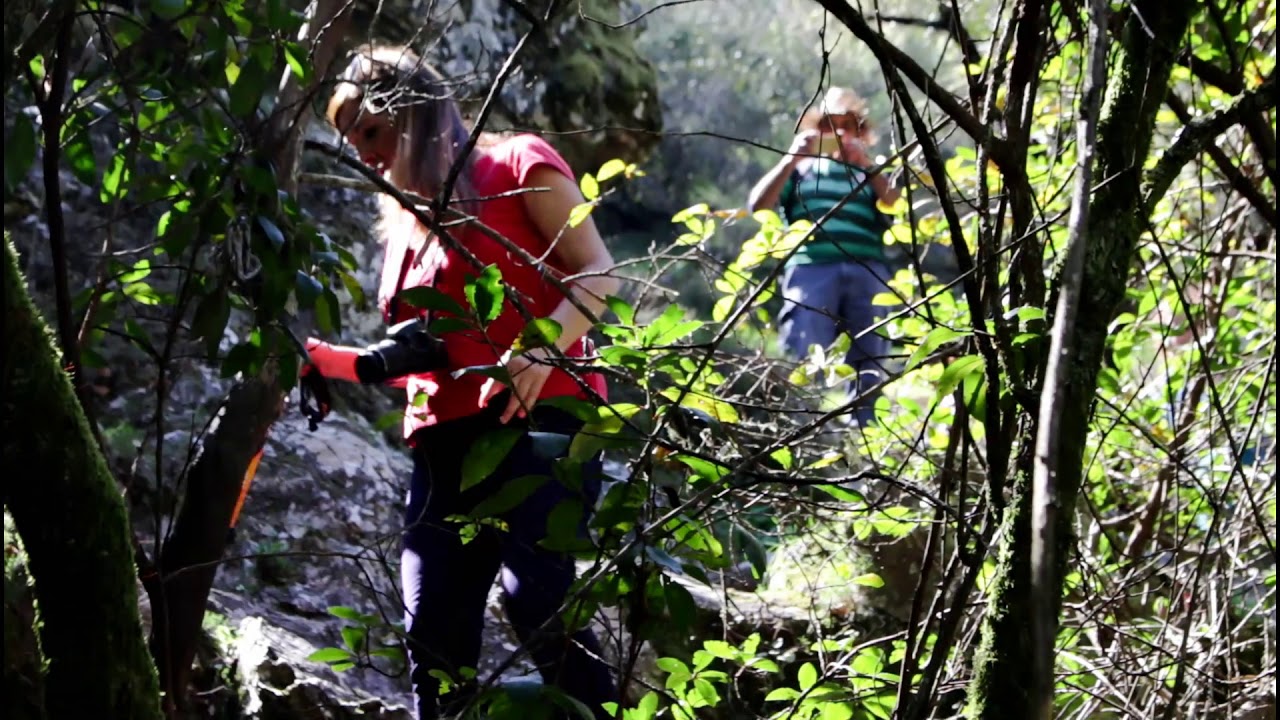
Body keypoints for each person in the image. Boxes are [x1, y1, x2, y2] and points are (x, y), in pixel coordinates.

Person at [303, 45, 621, 719]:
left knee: (533, 596)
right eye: (350, 139)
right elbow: (435, 347)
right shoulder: (407, 231)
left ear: (412, 114)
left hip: (544, 423)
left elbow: (597, 271)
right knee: (433, 638)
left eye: (370, 132)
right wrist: (343, 364)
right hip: (443, 444)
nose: (363, 153)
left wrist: (539, 347)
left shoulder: (516, 162)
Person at [747, 86, 901, 428]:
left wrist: (870, 167)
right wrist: (790, 159)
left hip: (867, 271)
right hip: (810, 269)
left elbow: (896, 206)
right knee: (805, 344)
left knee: (870, 354)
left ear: (863, 134)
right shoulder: (801, 172)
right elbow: (757, 205)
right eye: (830, 125)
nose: (841, 134)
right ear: (816, 131)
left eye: (851, 126)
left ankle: (864, 433)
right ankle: (803, 429)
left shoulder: (868, 175)